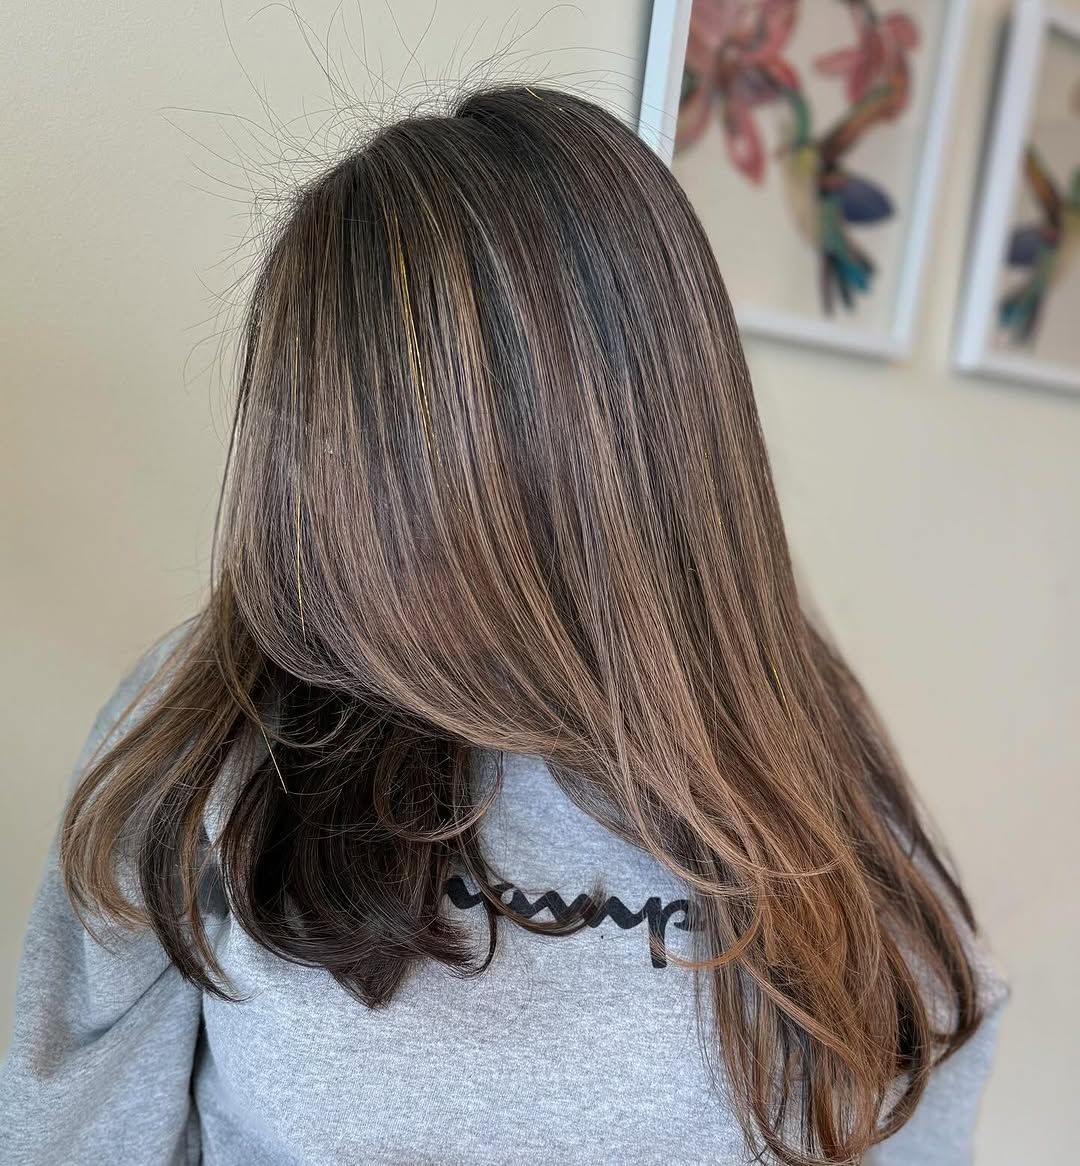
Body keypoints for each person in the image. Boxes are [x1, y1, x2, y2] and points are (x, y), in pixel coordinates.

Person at [0, 86, 1007, 1165]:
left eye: (400, 463)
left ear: (613, 447)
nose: (334, 517)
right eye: (316, 447)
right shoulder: (211, 725)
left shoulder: (803, 761)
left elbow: (907, 1085)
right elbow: (71, 1123)